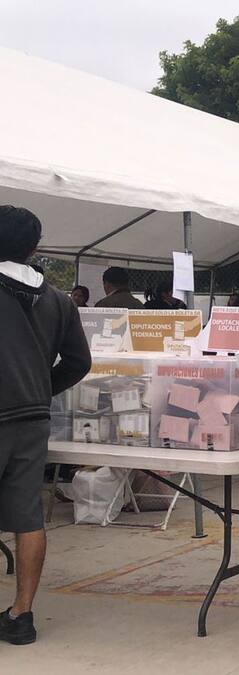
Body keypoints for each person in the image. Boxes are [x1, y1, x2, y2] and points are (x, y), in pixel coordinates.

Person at [0, 206, 91, 645]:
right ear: (35, 248)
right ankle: (22, 615)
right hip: (32, 419)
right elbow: (79, 362)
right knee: (27, 516)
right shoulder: (59, 301)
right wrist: (40, 388)